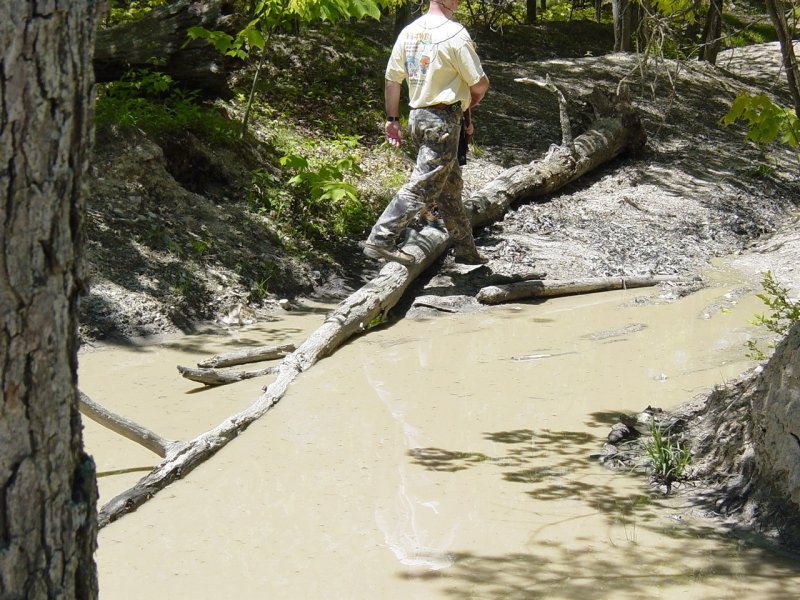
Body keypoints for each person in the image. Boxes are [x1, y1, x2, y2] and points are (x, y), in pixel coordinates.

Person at [363, 0, 490, 267]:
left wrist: (392, 119)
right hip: (442, 120)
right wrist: (472, 99)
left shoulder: (409, 32)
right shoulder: (455, 33)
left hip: (418, 117)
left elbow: (392, 79)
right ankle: (381, 239)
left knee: (450, 187)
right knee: (422, 186)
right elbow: (478, 82)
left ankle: (466, 248)